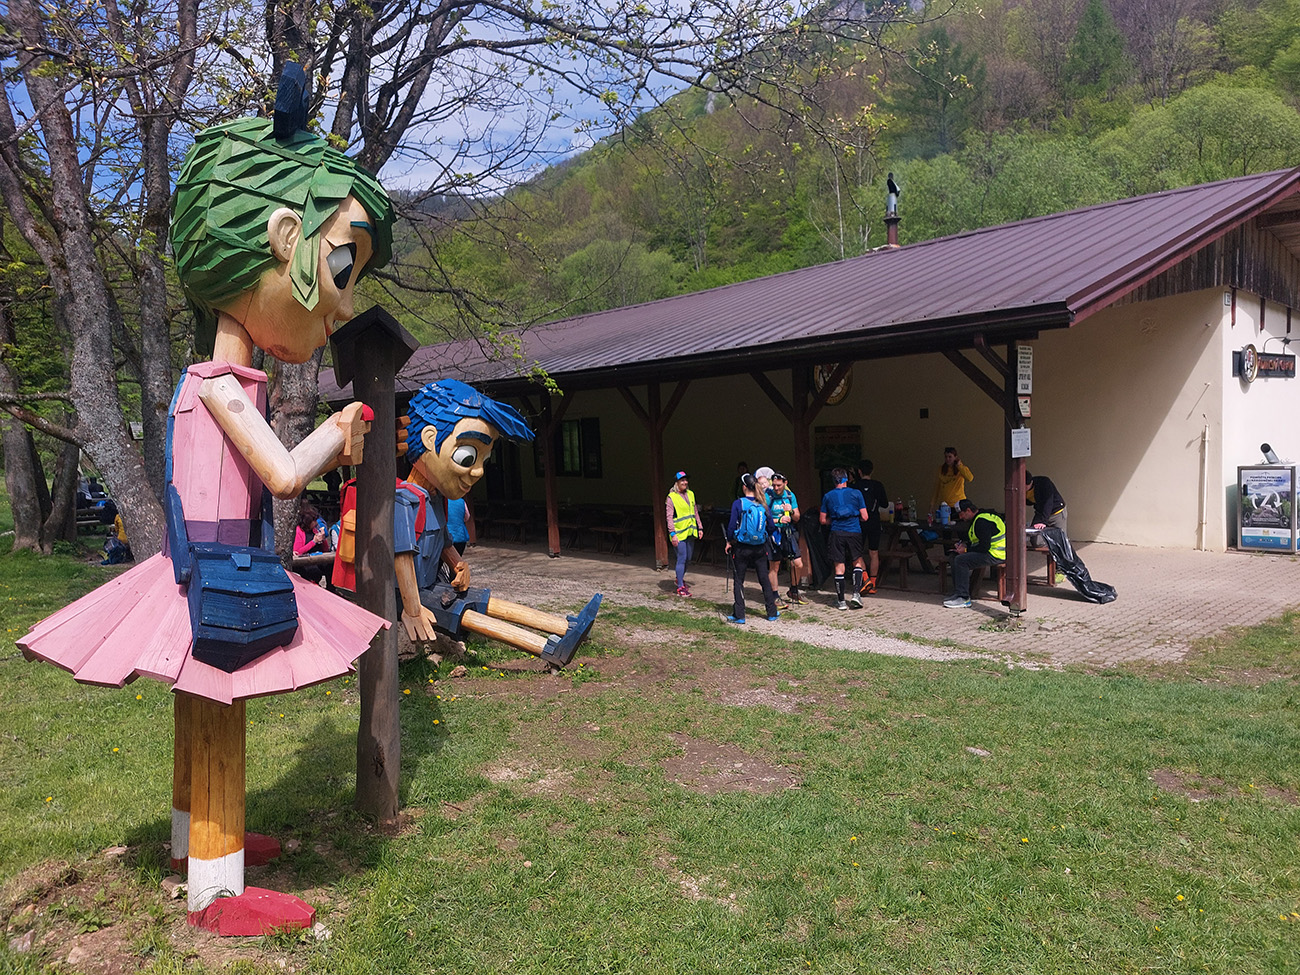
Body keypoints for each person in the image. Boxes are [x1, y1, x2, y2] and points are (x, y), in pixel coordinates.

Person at [21, 78, 396, 924]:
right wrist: (337, 431)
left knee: (198, 709)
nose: (345, 303)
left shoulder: (214, 382)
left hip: (204, 568)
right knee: (219, 706)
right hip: (215, 575)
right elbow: (284, 475)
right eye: (342, 267)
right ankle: (217, 887)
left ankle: (192, 837)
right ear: (284, 237)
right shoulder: (221, 385)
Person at [724, 473, 779, 624]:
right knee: (764, 579)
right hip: (760, 547)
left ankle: (739, 615)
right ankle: (772, 612)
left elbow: (731, 526)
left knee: (739, 580)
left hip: (742, 547)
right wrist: (762, 536)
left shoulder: (738, 503)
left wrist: (729, 541)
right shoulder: (762, 503)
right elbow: (771, 526)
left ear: (744, 487)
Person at [819, 467, 868, 610]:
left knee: (839, 566)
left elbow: (822, 520)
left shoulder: (828, 496)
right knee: (857, 562)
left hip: (836, 533)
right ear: (846, 479)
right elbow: (865, 516)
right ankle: (856, 594)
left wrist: (833, 520)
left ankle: (841, 602)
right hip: (854, 531)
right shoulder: (856, 493)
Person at [944, 500, 1006, 609]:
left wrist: (966, 550)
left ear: (968, 510)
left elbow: (984, 547)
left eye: (961, 514)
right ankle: (958, 592)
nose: (960, 517)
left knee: (961, 560)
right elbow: (977, 541)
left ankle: (963, 598)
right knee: (954, 556)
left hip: (996, 554)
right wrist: (964, 545)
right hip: (992, 552)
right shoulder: (979, 518)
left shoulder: (982, 522)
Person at [766, 472, 805, 604]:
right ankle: (774, 595)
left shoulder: (790, 495)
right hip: (773, 533)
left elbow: (797, 517)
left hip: (787, 532)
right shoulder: (768, 496)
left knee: (798, 564)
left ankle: (793, 590)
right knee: (775, 566)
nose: (776, 488)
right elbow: (764, 518)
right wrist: (778, 519)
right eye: (774, 485)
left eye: (779, 485)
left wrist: (791, 511)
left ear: (785, 483)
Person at [851, 460, 889, 594]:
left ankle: (865, 578)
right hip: (874, 521)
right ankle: (873, 584)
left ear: (859, 471)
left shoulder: (855, 487)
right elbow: (885, 504)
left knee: (857, 553)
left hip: (859, 522)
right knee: (874, 552)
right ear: (872, 471)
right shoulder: (878, 485)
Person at [666, 470, 702, 596]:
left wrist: (700, 527)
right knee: (682, 557)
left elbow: (695, 511)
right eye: (682, 480)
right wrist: (672, 534)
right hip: (679, 533)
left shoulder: (691, 494)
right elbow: (669, 517)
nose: (685, 482)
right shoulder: (671, 498)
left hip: (690, 532)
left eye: (686, 480)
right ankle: (680, 586)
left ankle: (679, 578)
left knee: (689, 558)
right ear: (677, 482)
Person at [930, 446, 974, 514]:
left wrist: (959, 466)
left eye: (950, 457)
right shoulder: (941, 469)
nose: (947, 459)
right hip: (944, 504)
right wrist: (932, 504)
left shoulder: (961, 469)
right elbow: (937, 487)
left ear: (955, 457)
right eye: (946, 457)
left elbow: (970, 478)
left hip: (958, 504)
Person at [1025, 469, 1068, 537]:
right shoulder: (1021, 490)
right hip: (1040, 512)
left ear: (1031, 482)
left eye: (1025, 486)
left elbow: (1048, 503)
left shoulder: (1044, 483)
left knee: (1060, 538)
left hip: (1057, 513)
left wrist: (1043, 522)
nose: (1023, 489)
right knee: (1035, 537)